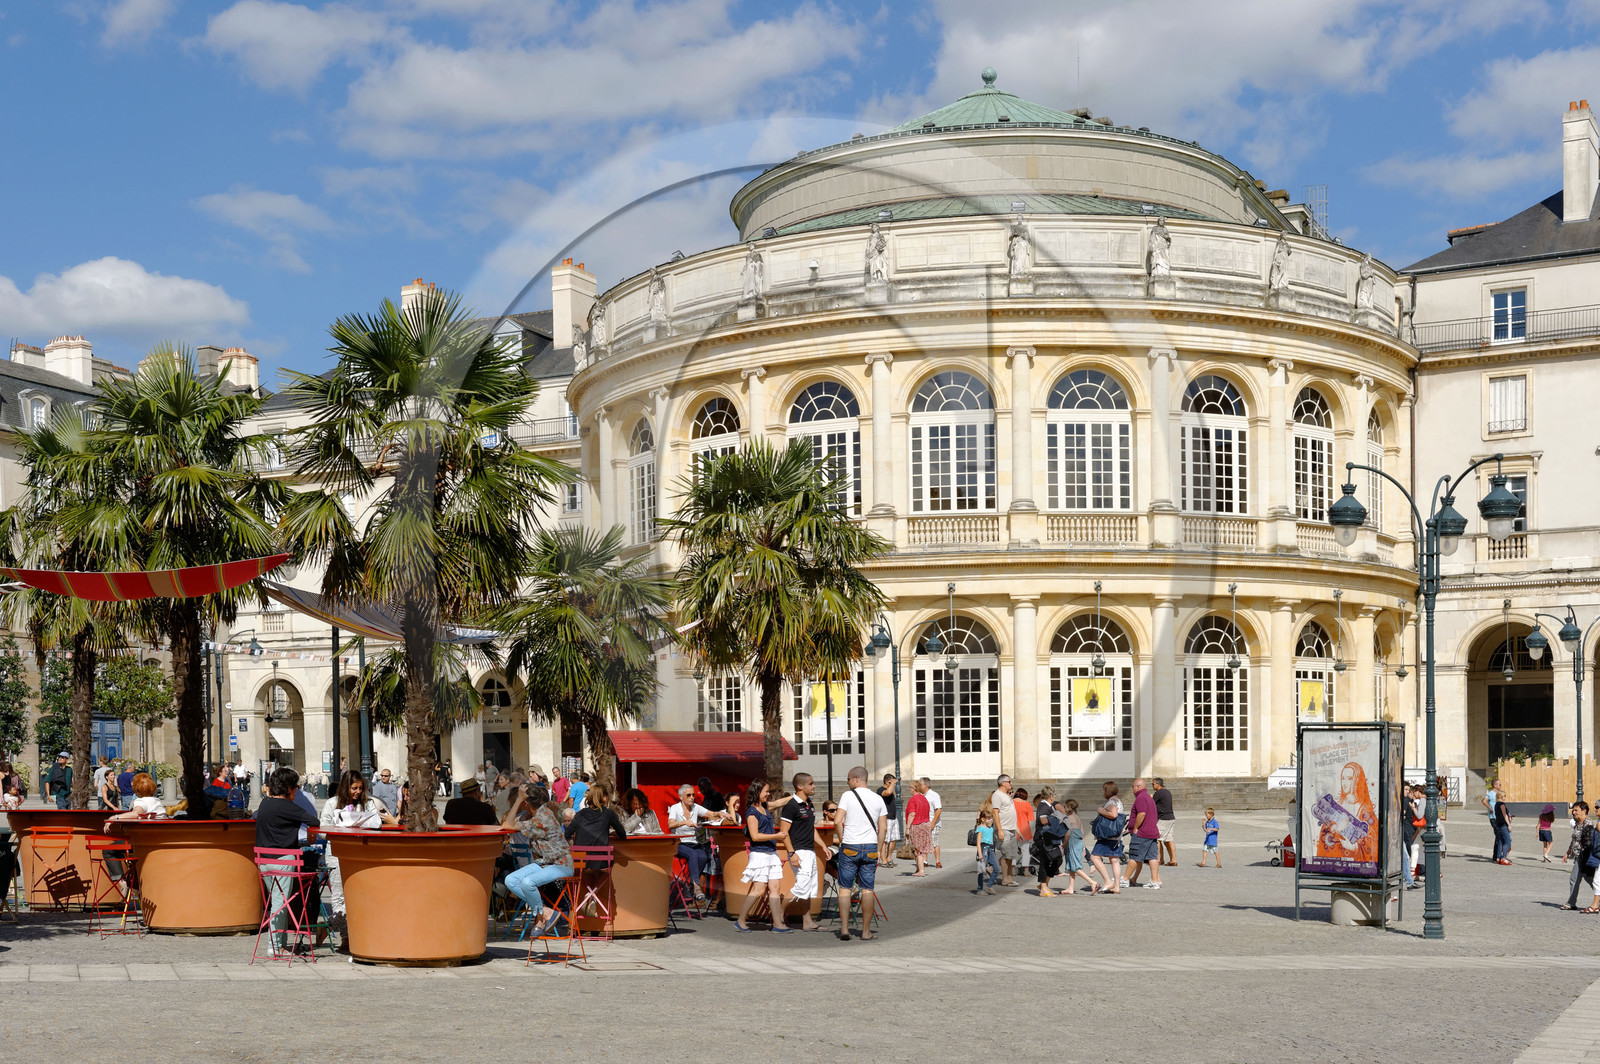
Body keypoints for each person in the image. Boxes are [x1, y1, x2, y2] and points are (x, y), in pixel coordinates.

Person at [318, 770, 397, 940]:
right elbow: (323, 830)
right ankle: (347, 939)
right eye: (354, 788)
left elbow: (376, 825)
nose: (358, 792)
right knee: (339, 896)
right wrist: (341, 828)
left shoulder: (367, 804)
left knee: (357, 896)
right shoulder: (332, 804)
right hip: (337, 852)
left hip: (360, 852)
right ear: (346, 787)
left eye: (360, 788)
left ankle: (329, 925)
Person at [255, 767, 321, 957]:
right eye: (296, 788)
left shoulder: (265, 804)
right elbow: (313, 821)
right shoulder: (288, 807)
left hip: (263, 861)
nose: (297, 791)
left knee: (276, 900)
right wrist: (309, 833)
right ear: (289, 788)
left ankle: (280, 944)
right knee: (280, 903)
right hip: (283, 860)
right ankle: (274, 946)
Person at [502, 785, 574, 938]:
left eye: (521, 801)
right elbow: (508, 824)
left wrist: (520, 798)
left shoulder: (542, 818)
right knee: (511, 880)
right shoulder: (541, 814)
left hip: (560, 865)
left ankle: (541, 918)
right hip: (544, 863)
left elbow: (507, 824)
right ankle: (546, 911)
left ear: (526, 803)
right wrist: (521, 799)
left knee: (528, 882)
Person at [834, 765, 888, 941]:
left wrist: (842, 839)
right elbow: (884, 828)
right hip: (871, 846)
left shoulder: (847, 796)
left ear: (856, 778)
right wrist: (879, 849)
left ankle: (844, 929)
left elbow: (837, 821)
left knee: (844, 889)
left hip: (850, 845)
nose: (848, 783)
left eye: (848, 779)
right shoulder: (878, 799)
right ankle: (865, 931)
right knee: (868, 890)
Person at [734, 778, 793, 933]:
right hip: (759, 854)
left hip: (771, 853)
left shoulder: (765, 807)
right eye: (766, 791)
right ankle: (741, 920)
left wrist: (796, 796)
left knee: (775, 887)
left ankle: (777, 924)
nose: (768, 794)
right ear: (757, 792)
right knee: (759, 889)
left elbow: (778, 803)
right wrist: (776, 836)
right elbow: (755, 836)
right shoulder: (751, 812)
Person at [780, 772, 825, 931]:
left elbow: (811, 829)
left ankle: (807, 922)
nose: (814, 786)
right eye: (811, 783)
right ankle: (778, 917)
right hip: (799, 852)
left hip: (810, 851)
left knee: (808, 888)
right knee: (801, 887)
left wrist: (824, 847)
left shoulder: (809, 803)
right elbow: (784, 833)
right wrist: (792, 853)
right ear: (800, 786)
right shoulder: (791, 806)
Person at [668, 783, 723, 904]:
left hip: (693, 842)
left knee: (703, 856)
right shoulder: (675, 808)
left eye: (693, 794)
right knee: (693, 854)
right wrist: (684, 822)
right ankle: (697, 888)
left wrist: (720, 814)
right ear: (681, 796)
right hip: (679, 843)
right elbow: (670, 824)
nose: (692, 797)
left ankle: (690, 885)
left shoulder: (695, 808)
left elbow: (710, 814)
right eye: (688, 795)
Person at [1121, 778, 1162, 889]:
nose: (1132, 789)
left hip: (1142, 833)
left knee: (1134, 856)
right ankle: (1154, 881)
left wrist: (1135, 827)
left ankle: (1125, 879)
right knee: (1152, 857)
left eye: (1133, 786)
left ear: (1138, 787)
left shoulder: (1141, 798)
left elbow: (1142, 814)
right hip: (1152, 832)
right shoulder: (1148, 797)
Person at [1089, 780, 1125, 894]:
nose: (1102, 792)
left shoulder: (1111, 802)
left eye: (1103, 789)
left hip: (1107, 836)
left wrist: (1101, 810)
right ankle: (1117, 886)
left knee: (1094, 857)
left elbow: (1113, 814)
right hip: (1116, 836)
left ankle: (1108, 881)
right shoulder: (1118, 801)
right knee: (1114, 860)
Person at [565, 781, 628, 847]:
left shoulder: (580, 814)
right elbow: (622, 834)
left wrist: (573, 845)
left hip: (581, 856)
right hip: (600, 856)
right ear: (604, 798)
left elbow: (567, 834)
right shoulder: (608, 813)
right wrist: (611, 832)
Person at [1562, 801, 1597, 911]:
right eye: (1573, 810)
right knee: (1583, 879)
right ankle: (1571, 902)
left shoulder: (1588, 824)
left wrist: (1585, 857)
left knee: (1587, 879)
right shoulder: (1579, 823)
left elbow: (1588, 842)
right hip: (1578, 855)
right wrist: (1567, 853)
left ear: (1584, 811)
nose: (1573, 812)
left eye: (1576, 810)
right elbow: (1574, 840)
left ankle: (1571, 903)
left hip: (1584, 856)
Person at [1032, 793, 1068, 895]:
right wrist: (1055, 817)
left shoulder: (1051, 805)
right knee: (1045, 861)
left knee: (1058, 860)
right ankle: (1043, 887)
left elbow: (1062, 814)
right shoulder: (1043, 806)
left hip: (1051, 837)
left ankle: (1044, 884)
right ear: (1051, 796)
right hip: (1042, 837)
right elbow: (1043, 821)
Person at [1059, 800, 1097, 894]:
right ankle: (1070, 888)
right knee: (1072, 867)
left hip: (1073, 843)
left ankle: (1092, 882)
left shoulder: (1069, 818)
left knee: (1075, 867)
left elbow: (1068, 834)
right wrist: (1084, 847)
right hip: (1079, 843)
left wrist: (1064, 843)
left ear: (1069, 807)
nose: (1064, 807)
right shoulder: (1077, 817)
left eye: (1065, 806)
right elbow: (1083, 833)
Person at [989, 774, 1018, 886]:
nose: (1011, 784)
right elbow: (995, 813)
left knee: (1012, 854)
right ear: (1003, 783)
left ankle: (1009, 876)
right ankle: (1005, 878)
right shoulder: (997, 795)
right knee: (1006, 854)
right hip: (1004, 829)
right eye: (1009, 782)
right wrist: (999, 830)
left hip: (1011, 828)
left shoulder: (1006, 795)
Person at [904, 779, 933, 877]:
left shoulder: (913, 799)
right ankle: (918, 868)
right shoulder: (924, 798)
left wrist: (907, 828)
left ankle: (921, 871)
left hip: (917, 825)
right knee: (922, 848)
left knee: (918, 849)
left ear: (914, 789)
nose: (910, 789)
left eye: (910, 788)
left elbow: (912, 814)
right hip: (926, 825)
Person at [973, 805, 999, 895]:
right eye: (988, 818)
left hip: (990, 849)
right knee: (981, 871)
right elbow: (978, 843)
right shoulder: (980, 828)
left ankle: (989, 885)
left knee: (996, 868)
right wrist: (980, 855)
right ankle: (980, 889)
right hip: (983, 849)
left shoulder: (990, 828)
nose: (991, 820)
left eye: (991, 818)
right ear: (983, 819)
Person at [1152, 777, 1177, 866]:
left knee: (1157, 839)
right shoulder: (1167, 792)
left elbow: (1152, 804)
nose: (1152, 786)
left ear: (1158, 784)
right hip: (1170, 817)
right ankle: (1173, 860)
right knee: (1169, 839)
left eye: (1153, 784)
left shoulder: (1159, 793)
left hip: (1163, 818)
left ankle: (1159, 859)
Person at [878, 774, 901, 868]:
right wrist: (892, 784)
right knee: (884, 840)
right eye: (892, 783)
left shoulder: (890, 790)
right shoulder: (880, 790)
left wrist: (892, 784)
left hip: (893, 818)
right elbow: (887, 793)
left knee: (894, 838)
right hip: (885, 818)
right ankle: (883, 861)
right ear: (887, 782)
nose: (894, 785)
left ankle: (889, 858)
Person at [1012, 786, 1034, 876]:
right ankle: (1026, 870)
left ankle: (1012, 869)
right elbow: (1031, 819)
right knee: (1025, 850)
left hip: (1013, 828)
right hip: (1024, 830)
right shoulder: (1027, 804)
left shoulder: (1011, 803)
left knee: (1013, 850)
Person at [923, 778, 943, 868]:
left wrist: (933, 823)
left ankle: (937, 861)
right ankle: (924, 861)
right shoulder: (921, 795)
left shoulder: (934, 795)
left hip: (933, 822)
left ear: (925, 785)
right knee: (924, 842)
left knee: (934, 842)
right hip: (924, 822)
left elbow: (938, 810)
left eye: (920, 784)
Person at [1492, 786, 1515, 865]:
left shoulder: (1496, 804)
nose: (1505, 797)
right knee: (1507, 841)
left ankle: (1498, 858)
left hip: (1498, 824)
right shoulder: (1502, 804)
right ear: (1501, 796)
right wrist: (1509, 824)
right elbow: (1505, 815)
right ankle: (1504, 858)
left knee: (1501, 841)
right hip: (1503, 825)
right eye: (1504, 796)